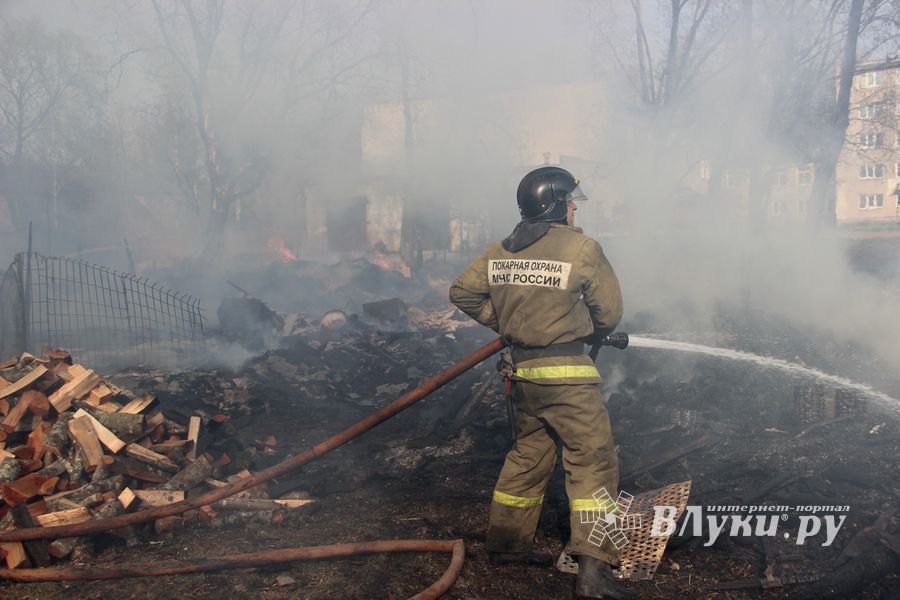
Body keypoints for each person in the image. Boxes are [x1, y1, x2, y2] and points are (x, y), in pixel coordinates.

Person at [449, 166, 632, 599]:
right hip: (568, 377)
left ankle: (508, 546)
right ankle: (593, 570)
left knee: (528, 456)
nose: (573, 208)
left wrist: (509, 324)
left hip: (522, 375)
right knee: (593, 462)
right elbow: (610, 313)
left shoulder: (500, 251)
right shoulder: (582, 248)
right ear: (554, 205)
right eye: (569, 201)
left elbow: (462, 292)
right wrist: (582, 325)